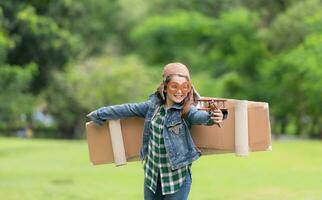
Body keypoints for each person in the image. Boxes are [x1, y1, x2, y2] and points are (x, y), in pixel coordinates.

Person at [87, 62, 228, 200]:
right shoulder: (152, 107)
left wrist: (213, 117)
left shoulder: (186, 110)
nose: (179, 92)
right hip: (153, 176)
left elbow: (199, 116)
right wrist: (100, 113)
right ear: (165, 88)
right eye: (174, 87)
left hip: (176, 179)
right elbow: (128, 109)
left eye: (184, 88)